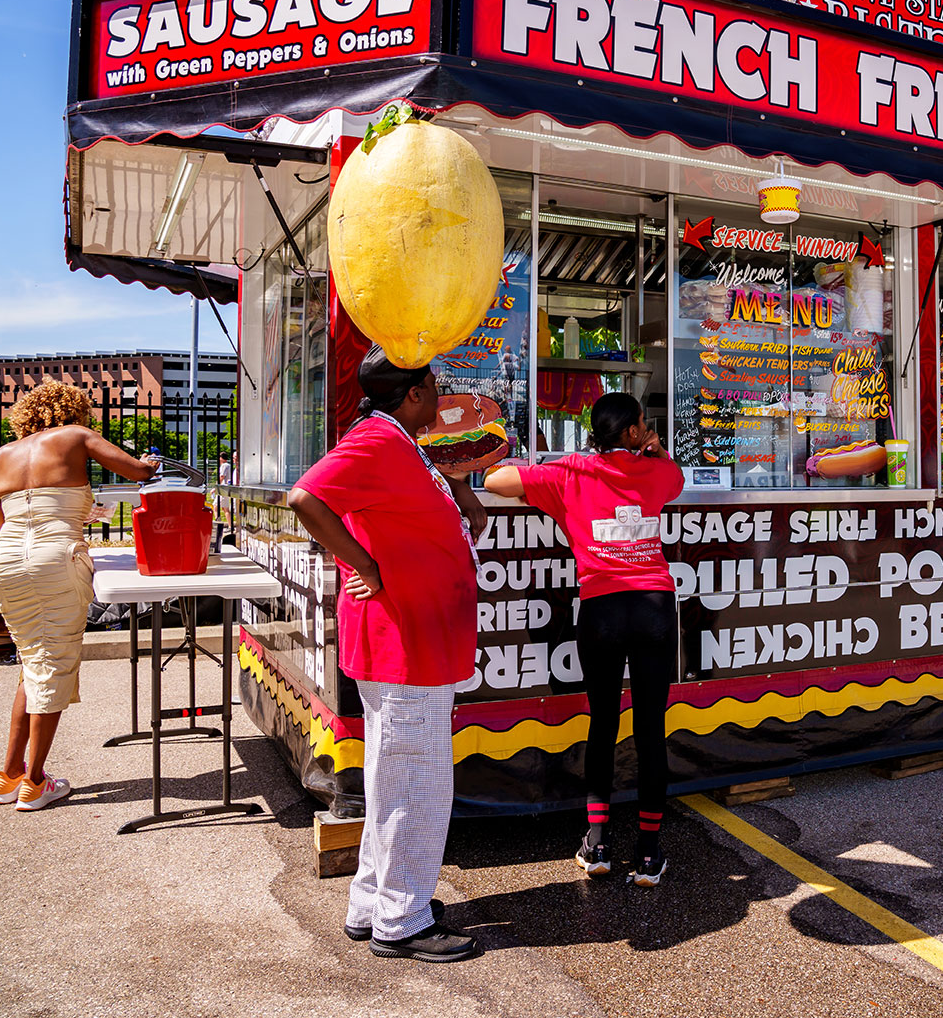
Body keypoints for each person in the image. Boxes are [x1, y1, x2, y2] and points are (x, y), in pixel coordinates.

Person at [289, 346, 483, 963]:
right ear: (416, 392)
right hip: (405, 641)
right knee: (417, 785)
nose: (439, 391)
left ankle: (374, 900)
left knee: (393, 777)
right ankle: (402, 919)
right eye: (433, 383)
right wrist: (365, 563)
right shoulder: (377, 439)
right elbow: (305, 498)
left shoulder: (402, 441)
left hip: (414, 638)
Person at [486, 392, 684, 886]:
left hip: (601, 611)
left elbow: (495, 479)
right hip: (654, 607)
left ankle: (597, 844)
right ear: (635, 433)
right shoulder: (656, 472)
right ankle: (649, 852)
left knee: (603, 724)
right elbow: (676, 479)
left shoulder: (570, 473)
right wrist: (654, 453)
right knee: (651, 729)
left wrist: (564, 464)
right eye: (643, 425)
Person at [0, 381, 160, 811]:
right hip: (55, 558)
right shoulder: (77, 436)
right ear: (74, 409)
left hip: (4, 561)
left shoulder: (2, 455)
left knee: (33, 662)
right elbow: (137, 473)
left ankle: (8, 775)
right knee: (55, 665)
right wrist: (149, 462)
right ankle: (36, 781)